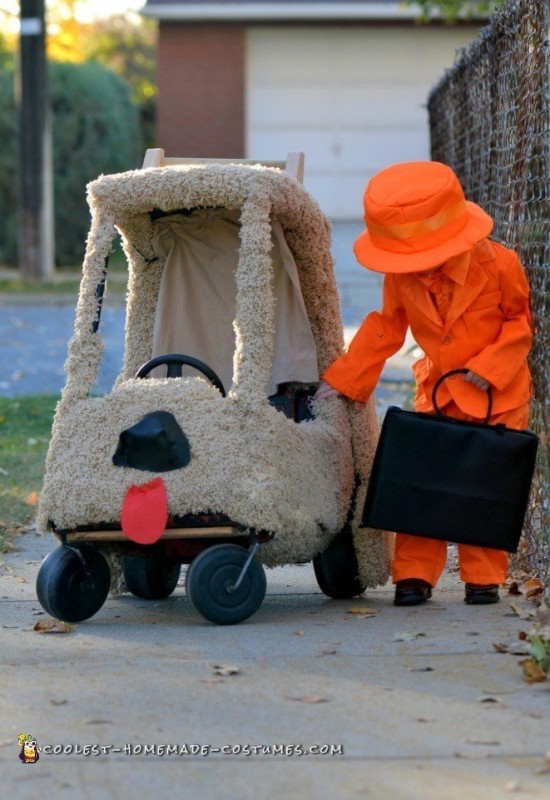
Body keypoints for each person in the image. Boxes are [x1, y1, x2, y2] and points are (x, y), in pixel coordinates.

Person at [315, 161, 532, 607]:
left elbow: (520, 323)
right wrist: (344, 380)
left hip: (498, 395)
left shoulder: (501, 263)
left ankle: (483, 576)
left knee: (486, 484)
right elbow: (386, 328)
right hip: (438, 390)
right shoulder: (401, 276)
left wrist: (490, 366)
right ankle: (413, 574)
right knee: (420, 481)